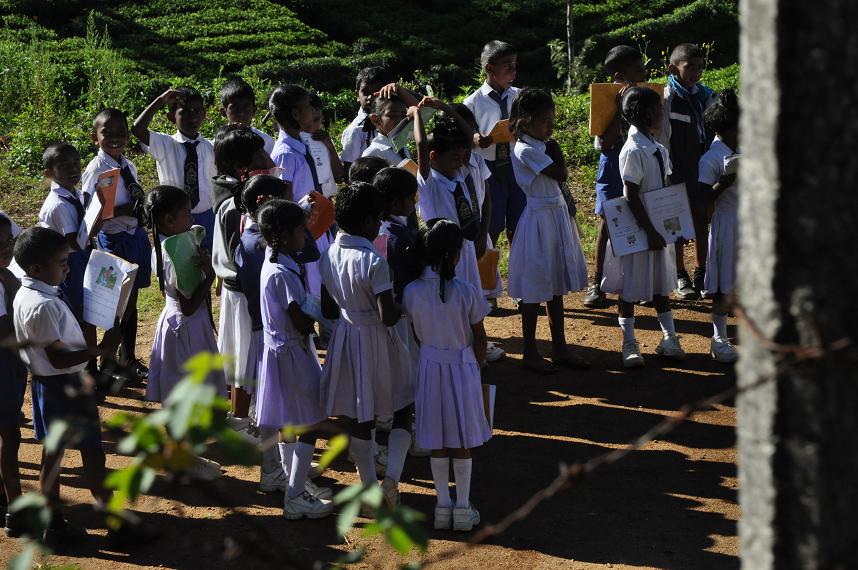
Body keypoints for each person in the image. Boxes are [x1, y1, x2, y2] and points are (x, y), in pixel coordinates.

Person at [12, 227, 121, 545]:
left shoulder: (31, 293)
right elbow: (59, 359)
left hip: (50, 387)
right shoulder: (43, 305)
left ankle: (53, 524)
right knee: (92, 455)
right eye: (61, 263)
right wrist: (103, 349)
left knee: (53, 456)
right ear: (36, 269)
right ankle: (113, 520)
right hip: (65, 387)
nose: (68, 268)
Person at [319, 182, 414, 510]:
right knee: (401, 407)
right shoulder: (374, 260)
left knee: (359, 416)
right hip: (377, 340)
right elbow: (388, 316)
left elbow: (329, 309)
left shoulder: (329, 253)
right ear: (367, 221)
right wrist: (404, 306)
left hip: (347, 337)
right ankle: (392, 482)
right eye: (377, 219)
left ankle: (370, 487)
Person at [234, 175, 321, 493]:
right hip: (281, 342)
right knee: (290, 413)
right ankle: (285, 479)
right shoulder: (269, 257)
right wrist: (318, 314)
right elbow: (297, 315)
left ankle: (286, 474)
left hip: (275, 340)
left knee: (280, 411)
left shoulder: (269, 249)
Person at [403, 219, 490, 532]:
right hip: (462, 365)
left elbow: (415, 333)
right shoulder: (465, 291)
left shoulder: (412, 291)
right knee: (461, 436)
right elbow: (480, 338)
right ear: (456, 255)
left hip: (429, 366)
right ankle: (463, 508)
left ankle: (442, 506)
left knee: (437, 436)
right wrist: (475, 366)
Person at [255, 198, 333, 519]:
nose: (306, 235)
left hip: (280, 352)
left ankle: (293, 482)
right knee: (312, 422)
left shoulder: (274, 261)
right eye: (302, 229)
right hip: (292, 353)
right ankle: (296, 494)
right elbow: (299, 320)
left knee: (289, 420)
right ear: (284, 237)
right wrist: (320, 308)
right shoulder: (282, 274)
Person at [143, 186, 225, 480]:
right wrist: (210, 275)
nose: (192, 217)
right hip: (185, 327)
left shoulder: (171, 243)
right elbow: (189, 305)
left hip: (185, 325)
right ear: (168, 220)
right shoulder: (171, 254)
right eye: (187, 213)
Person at [507, 88, 590, 374]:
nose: (550, 128)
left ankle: (560, 347)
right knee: (533, 288)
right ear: (525, 121)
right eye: (545, 121)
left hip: (555, 217)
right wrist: (556, 152)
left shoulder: (539, 144)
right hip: (539, 220)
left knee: (554, 286)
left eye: (552, 121)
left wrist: (552, 148)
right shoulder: (525, 148)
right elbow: (561, 173)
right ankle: (530, 350)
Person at [602, 87, 686, 368]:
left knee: (660, 283)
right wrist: (649, 230)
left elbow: (667, 189)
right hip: (640, 229)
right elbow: (631, 194)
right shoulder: (633, 149)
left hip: (658, 230)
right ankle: (629, 342)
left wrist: (675, 227)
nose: (662, 113)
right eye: (659, 109)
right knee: (629, 285)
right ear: (648, 113)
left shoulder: (657, 148)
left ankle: (669, 337)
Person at [210, 125, 276, 421]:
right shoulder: (236, 204)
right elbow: (246, 253)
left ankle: (243, 417)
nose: (268, 162)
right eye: (260, 159)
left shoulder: (234, 194)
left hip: (238, 291)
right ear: (242, 168)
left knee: (244, 359)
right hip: (245, 292)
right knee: (246, 359)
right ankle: (241, 419)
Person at [83, 108, 152, 381]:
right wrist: (127, 208)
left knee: (131, 303)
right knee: (113, 306)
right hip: (112, 242)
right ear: (94, 137)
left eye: (121, 133)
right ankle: (106, 364)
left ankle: (128, 359)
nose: (115, 138)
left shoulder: (128, 165)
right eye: (107, 133)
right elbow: (92, 214)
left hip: (134, 238)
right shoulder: (96, 170)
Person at [584, 46, 646, 309]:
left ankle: (637, 282)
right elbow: (606, 143)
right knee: (608, 223)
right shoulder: (604, 98)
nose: (643, 74)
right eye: (638, 70)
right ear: (621, 75)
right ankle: (597, 284)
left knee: (638, 218)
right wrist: (621, 108)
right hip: (611, 166)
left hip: (637, 161)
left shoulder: (644, 95)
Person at [656, 43, 718, 299]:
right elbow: (662, 137)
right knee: (677, 224)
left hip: (701, 169)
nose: (696, 72)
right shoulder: (667, 98)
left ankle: (700, 270)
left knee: (701, 219)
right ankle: (680, 273)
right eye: (689, 67)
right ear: (673, 68)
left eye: (700, 67)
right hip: (676, 170)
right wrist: (665, 170)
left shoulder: (707, 96)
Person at [268, 84, 334, 301]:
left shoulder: (300, 145)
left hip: (317, 230)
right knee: (311, 293)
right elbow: (283, 205)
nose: (313, 112)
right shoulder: (285, 154)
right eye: (307, 107)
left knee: (325, 289)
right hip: (302, 237)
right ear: (296, 114)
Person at [132, 87, 217, 251]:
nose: (192, 117)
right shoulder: (165, 144)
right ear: (171, 117)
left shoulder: (210, 146)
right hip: (174, 220)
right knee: (179, 265)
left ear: (204, 113)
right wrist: (160, 101)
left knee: (206, 265)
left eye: (197, 111)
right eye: (184, 112)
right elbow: (137, 129)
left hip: (207, 216)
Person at [38, 142, 98, 375]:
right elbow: (75, 241)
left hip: (81, 260)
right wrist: (97, 216)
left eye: (76, 163)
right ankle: (85, 371)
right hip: (69, 266)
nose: (73, 169)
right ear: (49, 173)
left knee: (89, 315)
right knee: (79, 319)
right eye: (64, 166)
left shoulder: (75, 195)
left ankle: (92, 368)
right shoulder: (58, 204)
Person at [463, 40, 523, 246]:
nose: (513, 70)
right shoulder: (472, 102)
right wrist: (475, 138)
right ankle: (489, 270)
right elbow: (467, 133)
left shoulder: (519, 96)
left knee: (520, 224)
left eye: (515, 64)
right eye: (508, 65)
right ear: (490, 68)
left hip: (517, 166)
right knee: (492, 226)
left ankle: (519, 270)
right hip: (489, 170)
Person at [699, 90, 740, 362]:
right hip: (727, 224)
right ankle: (719, 338)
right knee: (725, 283)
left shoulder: (743, 151)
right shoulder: (711, 158)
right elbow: (702, 197)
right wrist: (721, 184)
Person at [0, 216, 28, 537]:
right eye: (0, 245)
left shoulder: (5, 275)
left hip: (8, 367)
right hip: (3, 367)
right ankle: (15, 511)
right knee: (10, 438)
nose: (7, 248)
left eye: (9, 241)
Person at [340, 66, 394, 173]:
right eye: (365, 92)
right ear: (357, 95)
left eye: (377, 91)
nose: (370, 97)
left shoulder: (394, 119)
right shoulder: (355, 130)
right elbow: (349, 169)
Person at [362, 85, 420, 166]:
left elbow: (421, 113)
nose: (400, 120)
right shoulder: (373, 154)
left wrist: (399, 89)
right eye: (393, 115)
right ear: (375, 119)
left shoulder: (401, 147)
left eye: (403, 116)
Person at [301, 93, 345, 197]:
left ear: (322, 118)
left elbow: (339, 177)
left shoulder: (325, 141)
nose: (311, 125)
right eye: (307, 121)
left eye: (316, 119)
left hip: (327, 201)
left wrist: (330, 147)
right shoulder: (294, 144)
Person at [219, 77, 275, 154]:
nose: (241, 113)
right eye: (235, 108)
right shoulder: (217, 144)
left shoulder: (267, 142)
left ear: (254, 110)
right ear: (223, 112)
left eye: (246, 106)